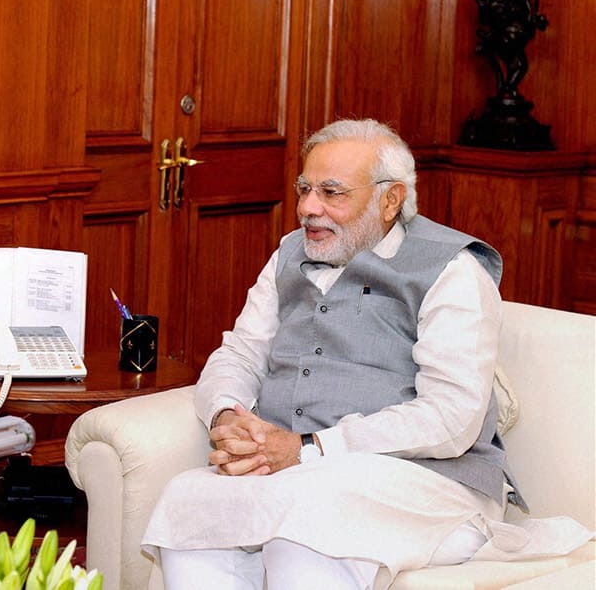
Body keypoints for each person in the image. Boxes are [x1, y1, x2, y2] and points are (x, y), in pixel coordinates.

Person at [140, 119, 591, 589]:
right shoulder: (289, 253)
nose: (309, 209)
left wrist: (309, 449)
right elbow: (239, 353)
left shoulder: (452, 271)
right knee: (192, 498)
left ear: (390, 200)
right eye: (305, 189)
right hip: (298, 473)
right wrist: (227, 417)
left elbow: (451, 417)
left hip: (426, 481)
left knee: (309, 525)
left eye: (332, 193)